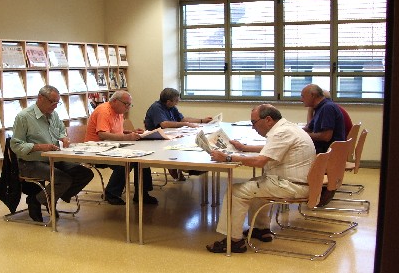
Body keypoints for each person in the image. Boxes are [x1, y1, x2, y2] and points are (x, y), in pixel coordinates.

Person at [206, 104, 316, 253]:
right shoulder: (287, 128)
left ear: (268, 119)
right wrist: (244, 148)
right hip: (297, 182)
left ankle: (234, 241)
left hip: (292, 186)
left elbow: (259, 162)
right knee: (254, 184)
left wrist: (228, 157)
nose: (253, 127)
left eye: (254, 122)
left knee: (236, 191)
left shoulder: (281, 133)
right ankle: (260, 229)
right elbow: (272, 148)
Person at [10, 85, 94, 222]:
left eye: (57, 103)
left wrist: (64, 138)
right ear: (40, 98)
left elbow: (61, 130)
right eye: (52, 102)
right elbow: (16, 145)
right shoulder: (24, 117)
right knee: (63, 179)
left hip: (53, 158)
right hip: (30, 162)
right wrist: (38, 147)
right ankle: (43, 200)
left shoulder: (53, 114)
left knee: (85, 173)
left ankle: (43, 198)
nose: (55, 106)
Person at [85, 90, 158, 205]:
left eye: (129, 105)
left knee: (141, 158)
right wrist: (127, 137)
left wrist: (131, 132)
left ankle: (142, 193)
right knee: (126, 161)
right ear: (114, 101)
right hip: (96, 149)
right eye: (126, 104)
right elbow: (102, 134)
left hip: (112, 147)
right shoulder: (104, 111)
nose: (128, 107)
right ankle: (111, 193)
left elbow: (116, 131)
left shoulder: (118, 111)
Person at [144, 87, 213, 181]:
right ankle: (174, 165)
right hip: (157, 139)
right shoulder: (156, 107)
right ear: (169, 102)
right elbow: (164, 124)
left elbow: (182, 119)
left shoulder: (171, 107)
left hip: (170, 136)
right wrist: (185, 124)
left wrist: (202, 120)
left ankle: (181, 167)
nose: (177, 102)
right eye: (176, 100)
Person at [301, 84, 345, 154]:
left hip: (329, 153)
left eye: (303, 96)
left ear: (313, 95)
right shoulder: (320, 107)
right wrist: (295, 130)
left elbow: (326, 136)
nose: (301, 100)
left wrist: (303, 134)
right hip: (324, 150)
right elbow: (309, 128)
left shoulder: (327, 108)